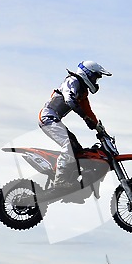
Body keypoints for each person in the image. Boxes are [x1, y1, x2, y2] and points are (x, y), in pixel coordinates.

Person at [39, 60, 112, 189]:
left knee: (76, 148)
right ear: (88, 74)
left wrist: (98, 127)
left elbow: (88, 112)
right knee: (68, 145)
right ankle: (59, 181)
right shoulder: (72, 81)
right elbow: (69, 99)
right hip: (47, 117)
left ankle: (71, 179)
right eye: (95, 77)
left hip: (54, 119)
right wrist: (85, 117)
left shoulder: (82, 92)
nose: (96, 80)